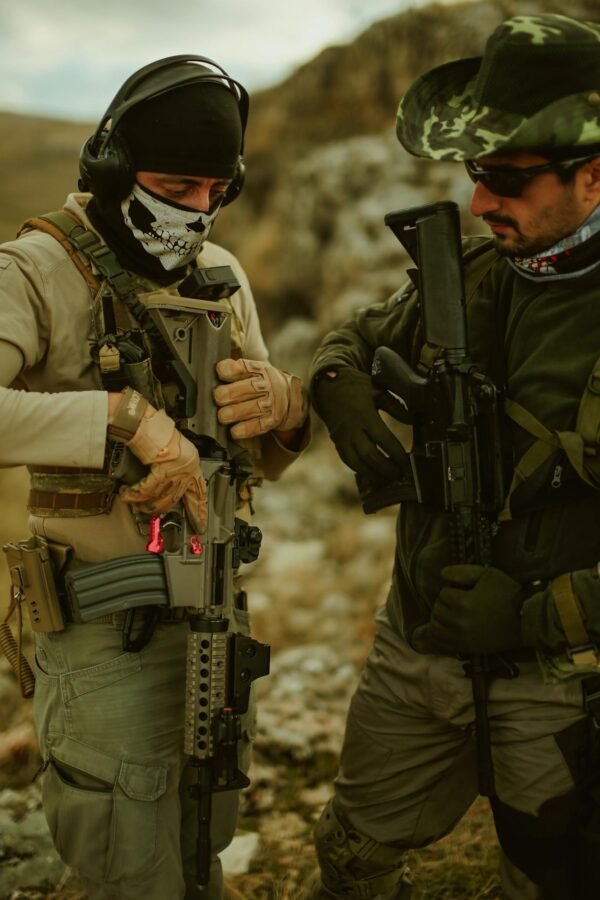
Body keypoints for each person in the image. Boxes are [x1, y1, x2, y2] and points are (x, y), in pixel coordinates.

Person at [0, 56, 310, 900]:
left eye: (218, 189)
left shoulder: (222, 276)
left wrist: (285, 406)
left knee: (201, 836)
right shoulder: (33, 270)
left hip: (213, 608)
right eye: (177, 184)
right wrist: (124, 419)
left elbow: (261, 445)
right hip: (104, 632)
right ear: (109, 167)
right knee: (127, 862)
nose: (197, 210)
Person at [308, 14, 600, 900]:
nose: (480, 204)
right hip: (417, 649)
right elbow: (349, 340)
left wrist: (537, 616)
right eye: (476, 175)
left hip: (563, 680)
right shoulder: (466, 277)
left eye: (508, 180)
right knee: (352, 856)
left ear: (594, 176)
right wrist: (337, 383)